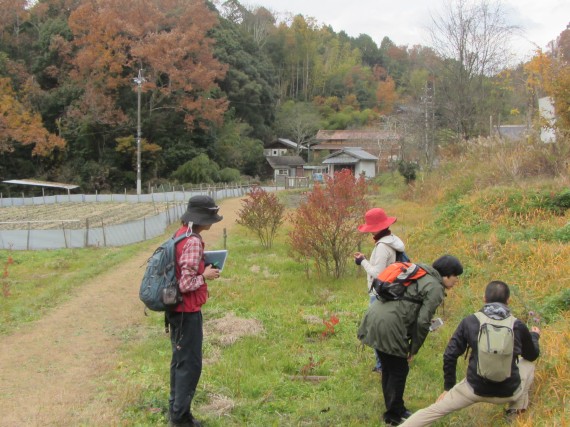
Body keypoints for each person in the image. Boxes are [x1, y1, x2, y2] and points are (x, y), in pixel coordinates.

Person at [400, 280, 541, 427]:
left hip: (473, 388)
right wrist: (534, 336)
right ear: (508, 301)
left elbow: (450, 355)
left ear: (484, 299)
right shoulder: (518, 325)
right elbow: (532, 355)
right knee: (528, 364)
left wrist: (448, 388)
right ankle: (515, 409)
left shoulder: (470, 321)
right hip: (508, 391)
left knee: (433, 411)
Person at [357, 255, 464, 426]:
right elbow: (422, 322)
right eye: (456, 276)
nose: (456, 281)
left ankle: (394, 409)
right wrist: (413, 348)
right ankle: (394, 415)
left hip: (375, 316)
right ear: (447, 275)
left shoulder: (420, 272)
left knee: (389, 367)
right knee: (399, 369)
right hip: (390, 324)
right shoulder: (435, 287)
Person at [167, 195, 223, 427]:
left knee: (179, 362)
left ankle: (177, 411)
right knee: (190, 365)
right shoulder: (193, 242)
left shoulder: (180, 234)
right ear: (202, 219)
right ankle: (180, 419)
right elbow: (185, 283)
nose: (213, 221)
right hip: (186, 311)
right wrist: (205, 275)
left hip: (176, 310)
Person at [354, 207, 406, 373]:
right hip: (390, 291)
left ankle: (381, 366)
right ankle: (387, 363)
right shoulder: (392, 240)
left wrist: (362, 261)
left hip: (381, 293)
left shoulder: (383, 246)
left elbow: (378, 273)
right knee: (386, 329)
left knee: (377, 330)